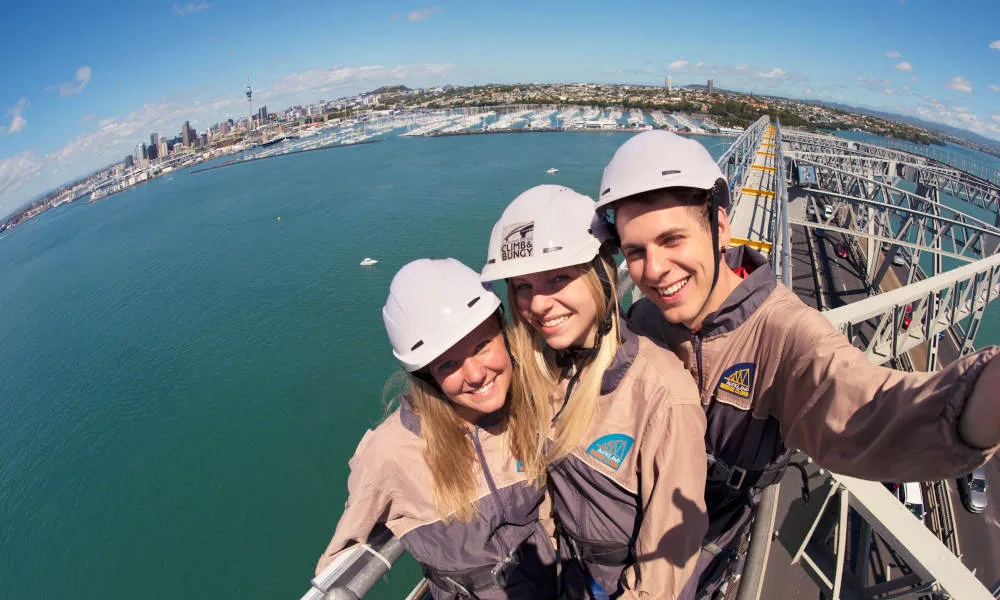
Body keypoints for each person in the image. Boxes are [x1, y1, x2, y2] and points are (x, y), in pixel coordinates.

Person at [595, 130, 1000, 599]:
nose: (654, 270)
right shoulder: (645, 317)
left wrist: (979, 400)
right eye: (636, 252)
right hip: (626, 527)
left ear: (720, 227)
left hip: (696, 553)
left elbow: (869, 408)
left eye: (672, 240)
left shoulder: (787, 337)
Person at [481, 184, 709, 600]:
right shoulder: (542, 370)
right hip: (567, 576)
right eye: (522, 287)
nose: (539, 304)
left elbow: (668, 558)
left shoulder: (659, 395)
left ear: (601, 276)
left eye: (559, 278)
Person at [315, 258, 557, 599]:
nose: (475, 375)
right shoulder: (391, 452)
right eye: (449, 364)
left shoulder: (534, 400)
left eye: (481, 346)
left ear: (503, 332)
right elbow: (341, 561)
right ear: (427, 375)